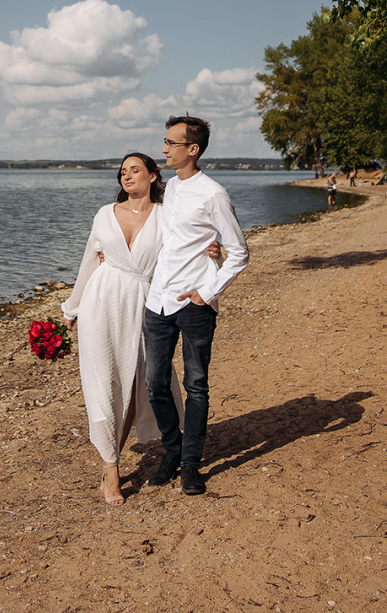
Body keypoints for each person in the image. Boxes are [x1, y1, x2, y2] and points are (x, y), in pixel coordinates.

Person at [62, 152, 177, 506]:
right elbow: (88, 261)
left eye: (135, 170)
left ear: (154, 176)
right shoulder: (104, 214)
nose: (127, 176)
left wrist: (213, 252)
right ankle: (110, 468)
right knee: (102, 383)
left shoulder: (166, 214)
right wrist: (72, 306)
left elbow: (184, 251)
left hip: (144, 302)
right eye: (123, 172)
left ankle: (117, 451)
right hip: (101, 301)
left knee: (134, 384)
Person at [143, 115, 249, 496]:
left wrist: (209, 290)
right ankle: (171, 452)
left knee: (196, 385)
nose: (164, 149)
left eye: (170, 143)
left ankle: (190, 463)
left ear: (193, 149)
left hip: (194, 304)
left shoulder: (213, 194)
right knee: (155, 383)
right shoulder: (169, 188)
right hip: (157, 301)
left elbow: (239, 252)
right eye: (165, 142)